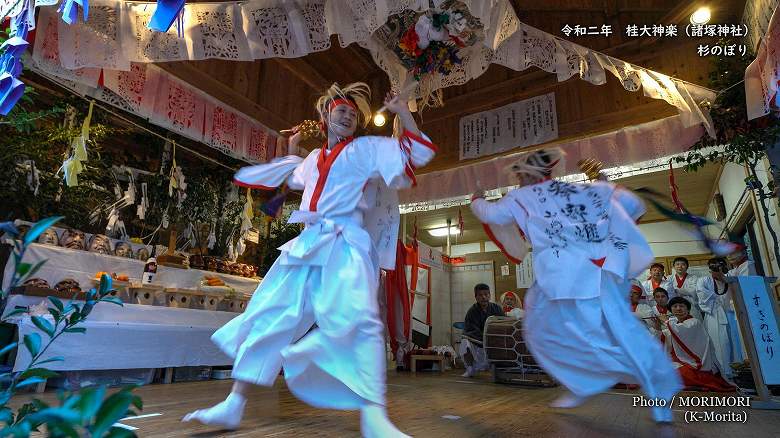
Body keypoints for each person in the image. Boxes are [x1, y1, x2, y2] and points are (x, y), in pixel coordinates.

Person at [183, 82, 436, 437]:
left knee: (360, 320)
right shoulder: (314, 159)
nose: (347, 116)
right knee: (270, 314)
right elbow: (292, 180)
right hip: (306, 243)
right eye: (340, 111)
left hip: (346, 244)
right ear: (325, 117)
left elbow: (415, 153)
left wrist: (403, 112)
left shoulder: (366, 150)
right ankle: (233, 405)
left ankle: (374, 417)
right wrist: (291, 149)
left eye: (352, 113)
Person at [470, 148, 681, 423]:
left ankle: (586, 383)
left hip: (562, 279)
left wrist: (475, 196)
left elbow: (491, 213)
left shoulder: (521, 197)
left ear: (528, 173)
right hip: (602, 272)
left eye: (520, 172)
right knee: (618, 331)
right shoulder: (573, 190)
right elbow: (627, 202)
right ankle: (629, 387)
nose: (517, 177)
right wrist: (599, 178)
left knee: (543, 331)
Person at [655, 297, 736, 392]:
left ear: (688, 310)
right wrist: (657, 326)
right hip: (685, 362)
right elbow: (666, 336)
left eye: (682, 306)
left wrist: (666, 321)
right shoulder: (675, 325)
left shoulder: (694, 322)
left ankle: (693, 383)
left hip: (698, 367)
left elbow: (680, 330)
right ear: (671, 310)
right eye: (675, 306)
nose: (678, 309)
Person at [697, 258, 734, 379]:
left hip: (733, 314)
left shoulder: (731, 277)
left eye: (719, 266)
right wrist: (718, 300)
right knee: (719, 343)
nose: (717, 270)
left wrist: (724, 278)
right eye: (713, 268)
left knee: (735, 343)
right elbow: (702, 295)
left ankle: (739, 370)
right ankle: (722, 371)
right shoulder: (704, 280)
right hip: (714, 315)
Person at [460, 283, 504, 377]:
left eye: (486, 294)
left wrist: (492, 336)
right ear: (476, 297)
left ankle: (498, 368)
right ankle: (470, 368)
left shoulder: (497, 308)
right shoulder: (472, 311)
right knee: (465, 342)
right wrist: (484, 337)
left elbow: (503, 324)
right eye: (480, 295)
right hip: (478, 340)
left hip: (494, 340)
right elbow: (470, 330)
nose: (484, 297)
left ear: (490, 295)